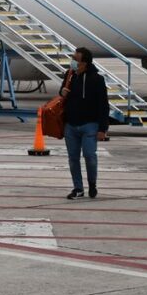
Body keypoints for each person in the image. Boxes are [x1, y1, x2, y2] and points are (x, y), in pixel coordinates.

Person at [59, 47, 109, 200]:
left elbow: (103, 105)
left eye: (76, 60)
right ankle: (78, 188)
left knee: (89, 155)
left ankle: (92, 184)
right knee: (73, 158)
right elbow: (62, 93)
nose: (72, 62)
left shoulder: (97, 79)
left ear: (84, 63)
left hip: (90, 124)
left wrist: (102, 128)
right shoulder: (69, 75)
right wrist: (63, 92)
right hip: (71, 125)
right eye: (72, 59)